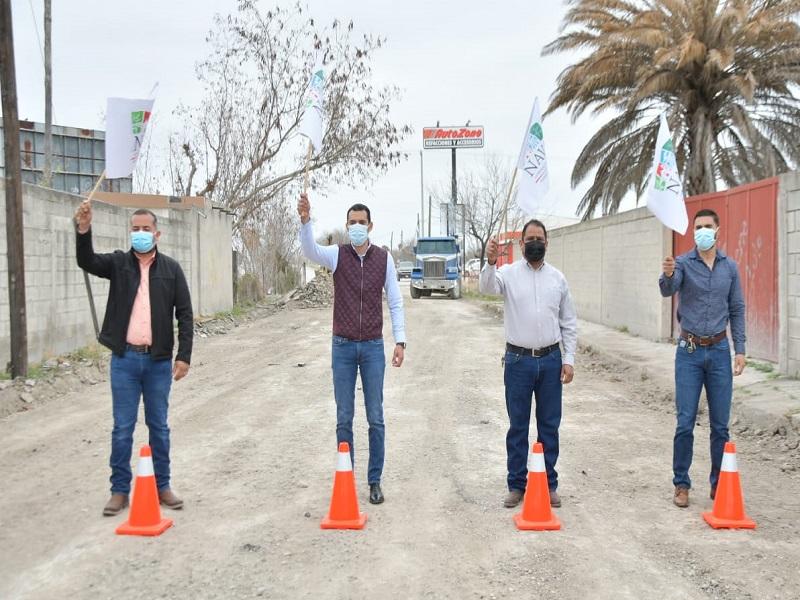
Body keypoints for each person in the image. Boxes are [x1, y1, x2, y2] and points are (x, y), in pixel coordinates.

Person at [75, 200, 193, 516]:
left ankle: (162, 486)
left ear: (158, 233)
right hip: (124, 361)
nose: (140, 234)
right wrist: (84, 229)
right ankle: (119, 491)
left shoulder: (171, 269)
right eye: (135, 229)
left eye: (146, 229)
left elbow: (185, 314)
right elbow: (85, 260)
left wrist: (183, 356)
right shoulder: (118, 264)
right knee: (122, 428)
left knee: (159, 427)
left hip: (157, 363)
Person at [297, 192, 406, 504]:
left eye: (362, 222)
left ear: (370, 226)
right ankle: (346, 476)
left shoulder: (384, 259)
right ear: (346, 226)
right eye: (352, 222)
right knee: (344, 416)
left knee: (375, 417)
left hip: (372, 347)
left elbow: (396, 302)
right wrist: (306, 221)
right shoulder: (337, 255)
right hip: (343, 347)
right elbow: (310, 250)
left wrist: (400, 340)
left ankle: (374, 481)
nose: (357, 226)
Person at [480, 220, 577, 509]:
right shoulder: (507, 274)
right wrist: (490, 262)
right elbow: (487, 288)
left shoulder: (558, 279)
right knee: (518, 425)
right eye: (530, 238)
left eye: (539, 238)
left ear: (547, 242)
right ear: (521, 244)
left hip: (550, 360)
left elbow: (568, 322)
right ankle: (517, 484)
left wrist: (569, 359)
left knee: (549, 425)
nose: (535, 242)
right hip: (518, 361)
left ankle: (548, 483)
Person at [660, 208, 746, 508]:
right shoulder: (683, 263)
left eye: (708, 226)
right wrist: (668, 274)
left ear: (718, 229)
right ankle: (681, 484)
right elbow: (668, 289)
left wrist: (741, 350)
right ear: (693, 231)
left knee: (721, 426)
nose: (703, 231)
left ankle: (719, 484)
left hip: (720, 351)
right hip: (690, 352)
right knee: (685, 422)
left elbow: (737, 309)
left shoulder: (730, 268)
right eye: (698, 227)